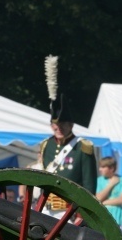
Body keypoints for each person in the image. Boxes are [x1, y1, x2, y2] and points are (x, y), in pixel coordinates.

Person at [40, 55, 97, 218]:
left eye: (63, 124)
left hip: (71, 211)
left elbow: (88, 184)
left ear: (71, 125)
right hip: (47, 207)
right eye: (55, 125)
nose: (59, 128)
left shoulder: (83, 147)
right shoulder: (46, 145)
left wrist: (85, 213)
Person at [96, 156, 122, 237]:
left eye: (103, 167)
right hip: (103, 219)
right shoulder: (99, 180)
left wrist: (103, 202)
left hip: (119, 219)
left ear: (111, 168)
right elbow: (98, 198)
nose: (100, 169)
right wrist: (111, 184)